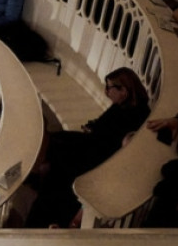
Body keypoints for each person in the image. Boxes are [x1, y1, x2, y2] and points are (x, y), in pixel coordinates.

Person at [25, 67, 151, 229]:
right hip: (95, 146)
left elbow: (110, 139)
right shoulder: (122, 106)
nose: (106, 92)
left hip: (100, 156)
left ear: (124, 91)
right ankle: (39, 175)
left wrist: (96, 131)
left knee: (60, 152)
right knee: (59, 140)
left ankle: (40, 183)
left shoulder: (136, 113)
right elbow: (102, 126)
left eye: (110, 88)